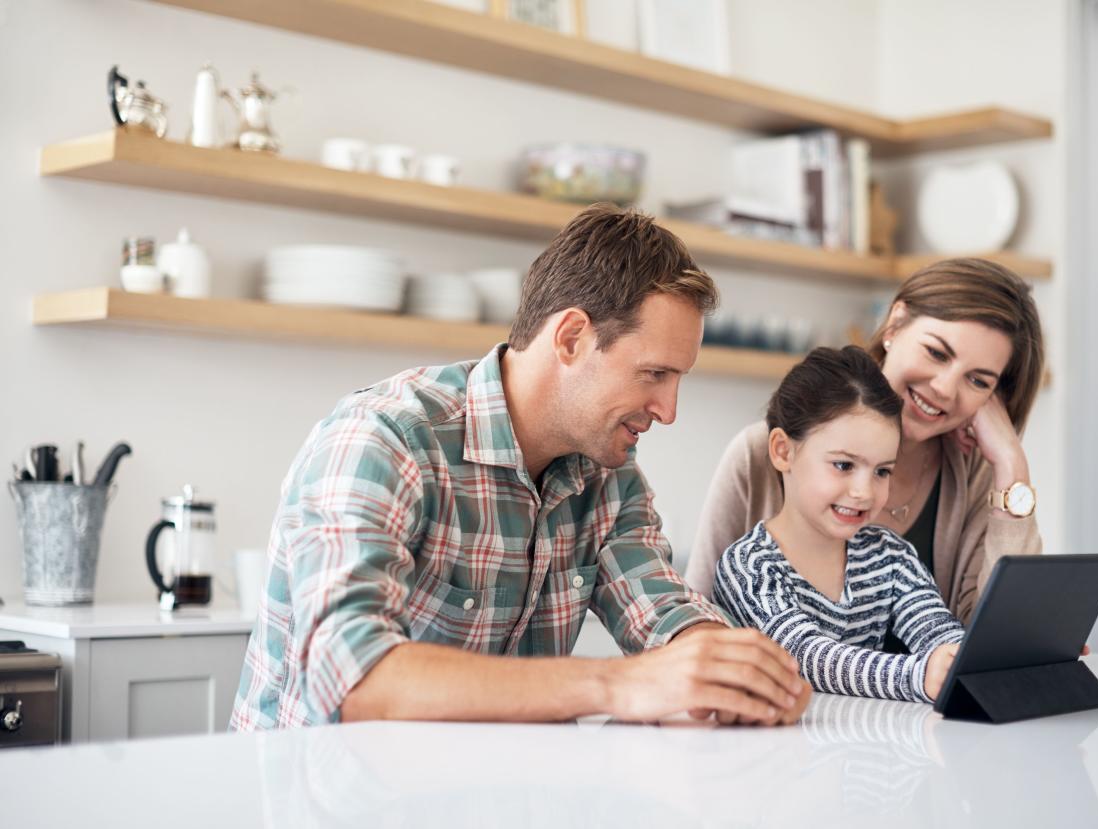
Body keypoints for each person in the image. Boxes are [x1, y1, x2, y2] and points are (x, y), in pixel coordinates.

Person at [230, 204, 811, 730]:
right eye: (654, 374)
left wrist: (726, 666)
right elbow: (350, 679)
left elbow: (664, 612)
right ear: (572, 338)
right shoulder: (385, 439)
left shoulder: (609, 477)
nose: (668, 411)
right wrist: (614, 683)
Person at [687, 258, 1045, 626]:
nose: (944, 388)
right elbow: (698, 619)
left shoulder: (978, 476)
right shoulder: (759, 453)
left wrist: (1012, 466)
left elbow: (1000, 632)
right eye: (937, 353)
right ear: (895, 324)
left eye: (978, 381)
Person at [714, 346, 964, 702]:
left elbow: (936, 629)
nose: (864, 492)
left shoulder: (890, 556)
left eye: (882, 471)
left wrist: (979, 657)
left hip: (868, 746)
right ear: (783, 451)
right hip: (782, 749)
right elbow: (804, 657)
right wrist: (919, 675)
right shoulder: (748, 566)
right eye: (844, 466)